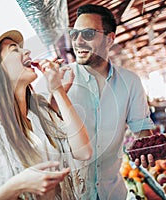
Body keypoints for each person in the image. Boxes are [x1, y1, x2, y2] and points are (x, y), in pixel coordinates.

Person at [0, 30, 92, 200]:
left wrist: (58, 90)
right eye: (14, 50)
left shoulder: (40, 111)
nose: (27, 51)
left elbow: (84, 152)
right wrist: (16, 186)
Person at [43, 4, 156, 200]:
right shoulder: (57, 80)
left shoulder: (130, 82)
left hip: (113, 194)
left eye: (87, 34)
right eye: (74, 33)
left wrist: (146, 147)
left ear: (109, 39)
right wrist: (55, 95)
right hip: (71, 196)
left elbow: (142, 130)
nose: (78, 41)